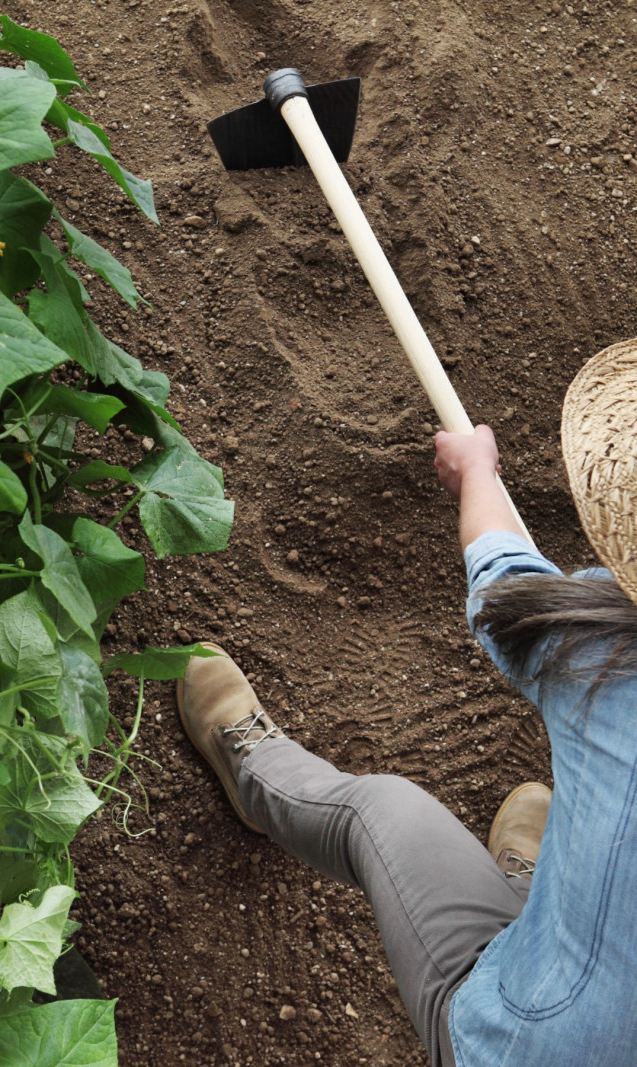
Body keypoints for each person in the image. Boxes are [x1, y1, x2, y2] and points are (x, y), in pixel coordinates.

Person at [175, 338, 637, 1066]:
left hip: (523, 1046)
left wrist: (475, 473)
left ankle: (254, 770)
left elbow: (508, 588)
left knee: (380, 809)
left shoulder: (611, 666)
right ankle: (535, 896)